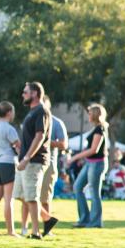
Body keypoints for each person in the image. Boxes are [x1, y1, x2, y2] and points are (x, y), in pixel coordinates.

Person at [12, 82, 54, 240]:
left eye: (25, 92)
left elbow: (40, 136)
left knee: (31, 196)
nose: (23, 94)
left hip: (34, 161)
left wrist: (27, 157)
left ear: (35, 93)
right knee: (20, 194)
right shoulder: (31, 112)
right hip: (25, 159)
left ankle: (36, 233)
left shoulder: (41, 111)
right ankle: (48, 219)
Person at [69, 104, 110, 228]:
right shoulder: (95, 128)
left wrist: (75, 157)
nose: (89, 115)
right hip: (90, 163)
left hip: (97, 164)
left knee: (94, 192)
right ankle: (84, 219)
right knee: (77, 187)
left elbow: (94, 149)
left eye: (90, 113)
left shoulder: (100, 129)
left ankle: (95, 222)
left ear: (96, 115)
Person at [0, 102, 21, 237]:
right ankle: (11, 231)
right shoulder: (9, 128)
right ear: (9, 113)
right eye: (12, 112)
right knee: (9, 200)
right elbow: (19, 147)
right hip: (8, 163)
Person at [39, 96, 68, 237]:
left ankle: (47, 228)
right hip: (33, 163)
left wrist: (44, 141)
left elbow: (64, 144)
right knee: (29, 197)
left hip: (49, 164)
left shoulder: (56, 123)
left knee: (45, 198)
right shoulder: (33, 120)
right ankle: (26, 228)